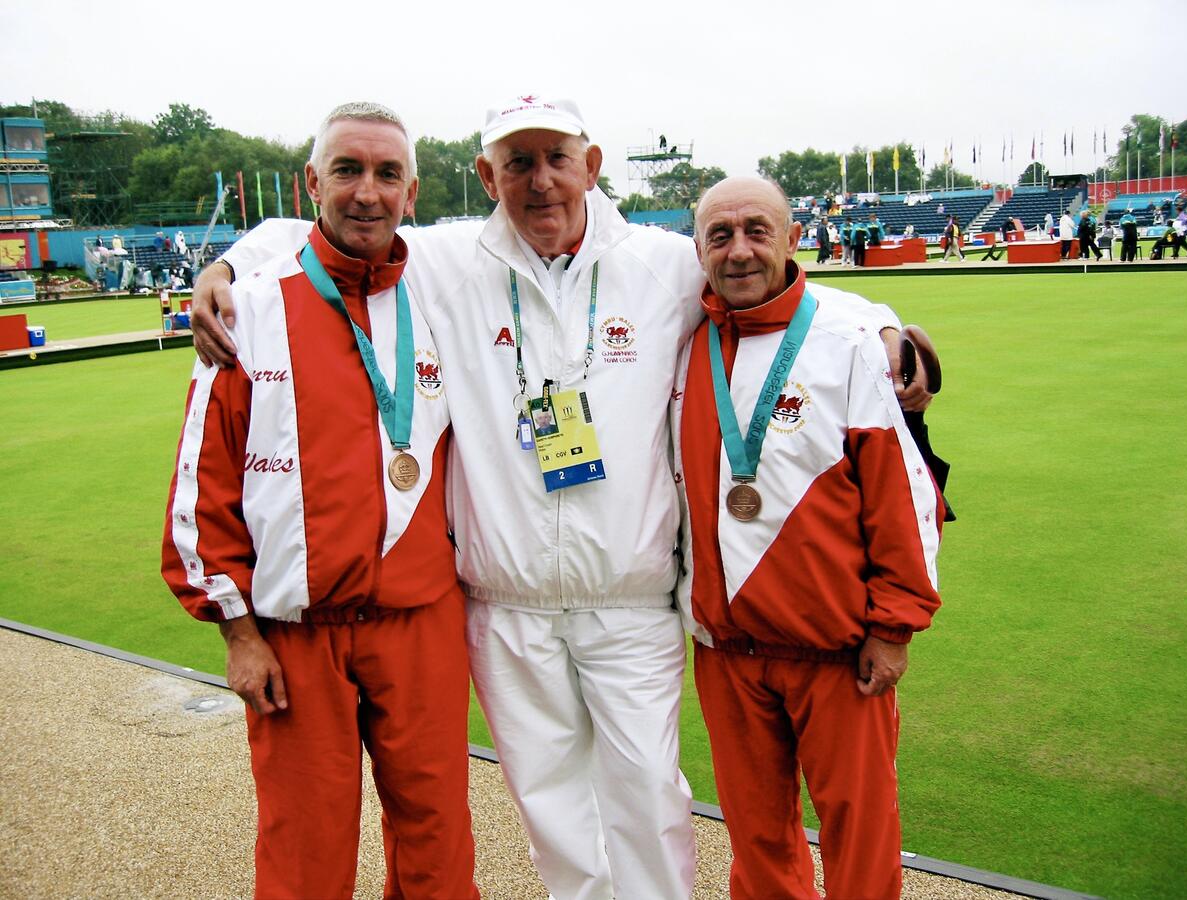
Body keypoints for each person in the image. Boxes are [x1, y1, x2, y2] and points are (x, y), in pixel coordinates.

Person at [188, 94, 941, 900]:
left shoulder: (663, 262)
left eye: (556, 158)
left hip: (631, 600)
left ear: (592, 164)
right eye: (517, 163)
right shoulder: (448, 262)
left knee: (650, 801)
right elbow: (330, 228)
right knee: (553, 814)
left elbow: (771, 277)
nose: (540, 181)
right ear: (486, 175)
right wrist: (224, 266)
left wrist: (886, 323)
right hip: (506, 604)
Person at [161, 102, 477, 899]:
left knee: (437, 837)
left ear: (413, 192)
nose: (366, 192)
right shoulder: (249, 308)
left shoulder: (448, 293)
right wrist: (238, 634)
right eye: (346, 171)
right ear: (312, 183)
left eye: (386, 174)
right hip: (296, 637)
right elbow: (203, 492)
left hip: (421, 624)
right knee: (304, 850)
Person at [672, 177, 941, 899]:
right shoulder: (681, 343)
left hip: (835, 650)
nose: (738, 251)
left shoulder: (849, 342)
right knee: (757, 838)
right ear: (697, 249)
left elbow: (902, 497)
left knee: (860, 833)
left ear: (796, 239)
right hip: (726, 650)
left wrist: (896, 626)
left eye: (757, 230)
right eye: (718, 236)